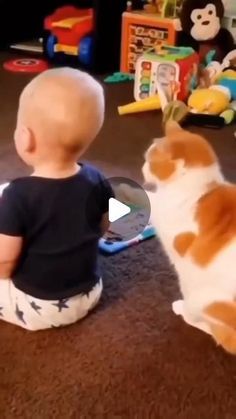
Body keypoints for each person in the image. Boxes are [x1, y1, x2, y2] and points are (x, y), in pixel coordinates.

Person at [0, 67, 113, 331]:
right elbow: (106, 226)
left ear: (25, 138)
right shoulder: (96, 178)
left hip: (40, 305)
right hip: (90, 292)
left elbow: (4, 262)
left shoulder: (17, 195)